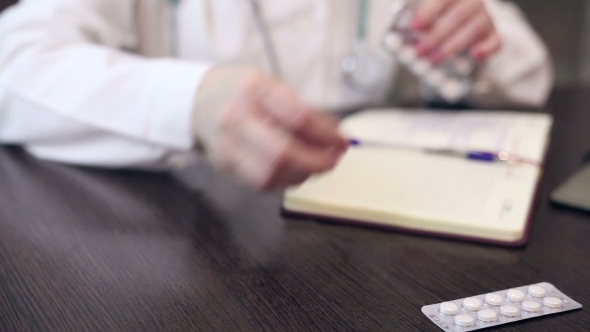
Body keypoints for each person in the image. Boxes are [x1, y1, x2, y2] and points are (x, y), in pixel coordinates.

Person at [0, 0, 552, 190]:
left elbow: (531, 76)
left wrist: (465, 46)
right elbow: (13, 60)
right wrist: (188, 103)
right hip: (192, 248)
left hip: (367, 262)